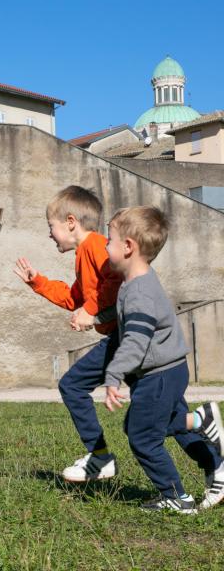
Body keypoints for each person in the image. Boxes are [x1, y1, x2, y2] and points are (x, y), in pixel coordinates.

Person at [103, 206, 224, 513]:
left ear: (128, 247)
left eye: (109, 240)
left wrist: (113, 374)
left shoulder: (139, 291)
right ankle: (200, 421)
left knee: (143, 437)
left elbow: (136, 340)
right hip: (167, 372)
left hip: (159, 376)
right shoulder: (138, 280)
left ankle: (176, 496)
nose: (105, 246)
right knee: (140, 426)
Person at [14, 185, 122, 482]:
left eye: (52, 226)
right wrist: (38, 283)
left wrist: (92, 312)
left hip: (126, 336)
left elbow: (115, 282)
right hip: (120, 336)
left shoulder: (96, 246)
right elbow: (74, 297)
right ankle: (204, 433)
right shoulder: (83, 254)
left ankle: (100, 457)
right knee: (160, 410)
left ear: (71, 222)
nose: (50, 234)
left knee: (73, 385)